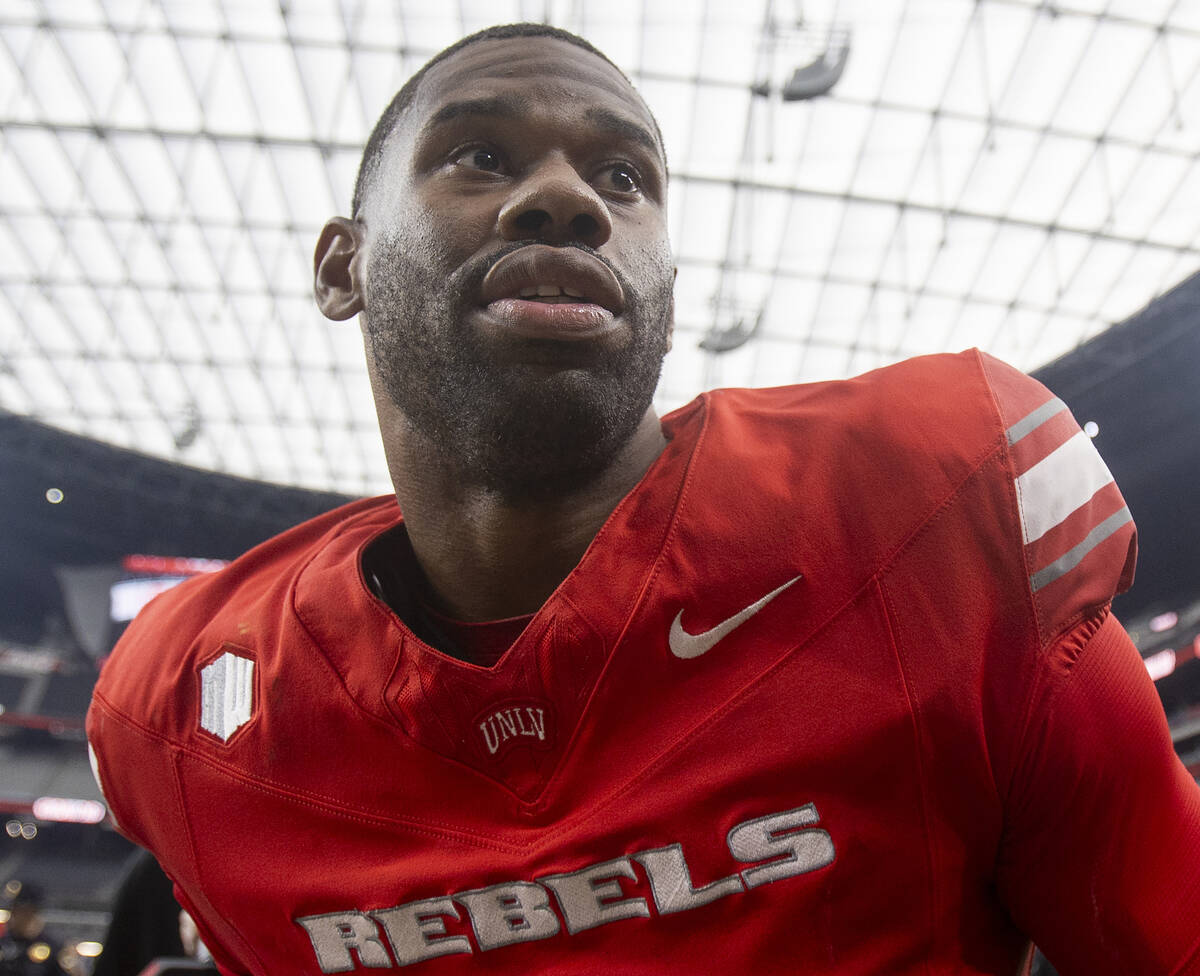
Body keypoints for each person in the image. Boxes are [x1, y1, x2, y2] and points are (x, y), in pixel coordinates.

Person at [85, 22, 1200, 976]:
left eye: (625, 177)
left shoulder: (932, 518)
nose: (568, 197)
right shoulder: (184, 710)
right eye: (478, 156)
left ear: (664, 279)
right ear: (343, 267)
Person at [0, 884, 71, 976]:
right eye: (16, 910)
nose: (20, 916)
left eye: (26, 912)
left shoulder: (52, 947)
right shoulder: (3, 943)